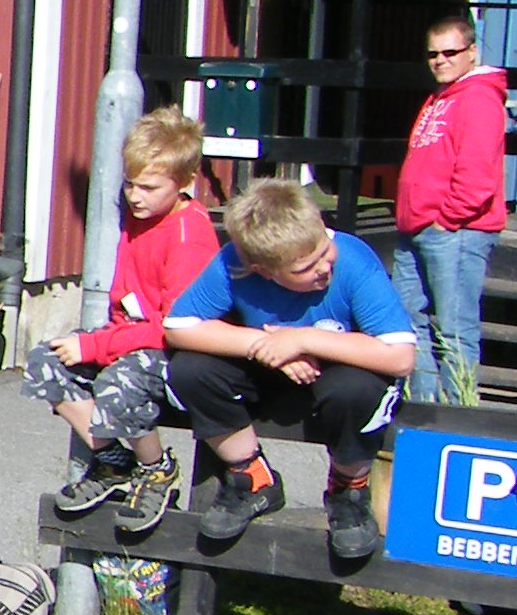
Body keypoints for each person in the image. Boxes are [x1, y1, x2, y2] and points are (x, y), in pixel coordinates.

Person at [163, 180, 420, 564]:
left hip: (341, 373)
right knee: (189, 370)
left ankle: (348, 489)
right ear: (263, 271)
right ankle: (250, 477)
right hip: (270, 372)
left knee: (356, 391)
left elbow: (400, 356)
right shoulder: (235, 264)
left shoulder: (353, 260)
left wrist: (302, 340)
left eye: (324, 251)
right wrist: (266, 346)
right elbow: (179, 326)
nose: (324, 267)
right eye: (306, 267)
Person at [30, 108, 219, 533]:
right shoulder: (141, 216)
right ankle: (113, 461)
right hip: (130, 334)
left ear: (186, 182)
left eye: (149, 187)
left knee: (120, 381)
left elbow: (174, 328)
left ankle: (156, 469)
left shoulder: (188, 236)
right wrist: (100, 343)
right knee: (46, 361)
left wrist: (96, 346)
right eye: (130, 183)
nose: (135, 196)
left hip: (175, 350)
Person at [390, 8, 511, 403]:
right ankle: (423, 405)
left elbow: (478, 175)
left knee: (455, 328)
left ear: (472, 52)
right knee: (406, 320)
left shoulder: (479, 98)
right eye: (433, 54)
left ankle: (459, 412)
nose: (440, 60)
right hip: (417, 228)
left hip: (456, 230)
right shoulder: (441, 97)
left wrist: (447, 219)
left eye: (450, 52)